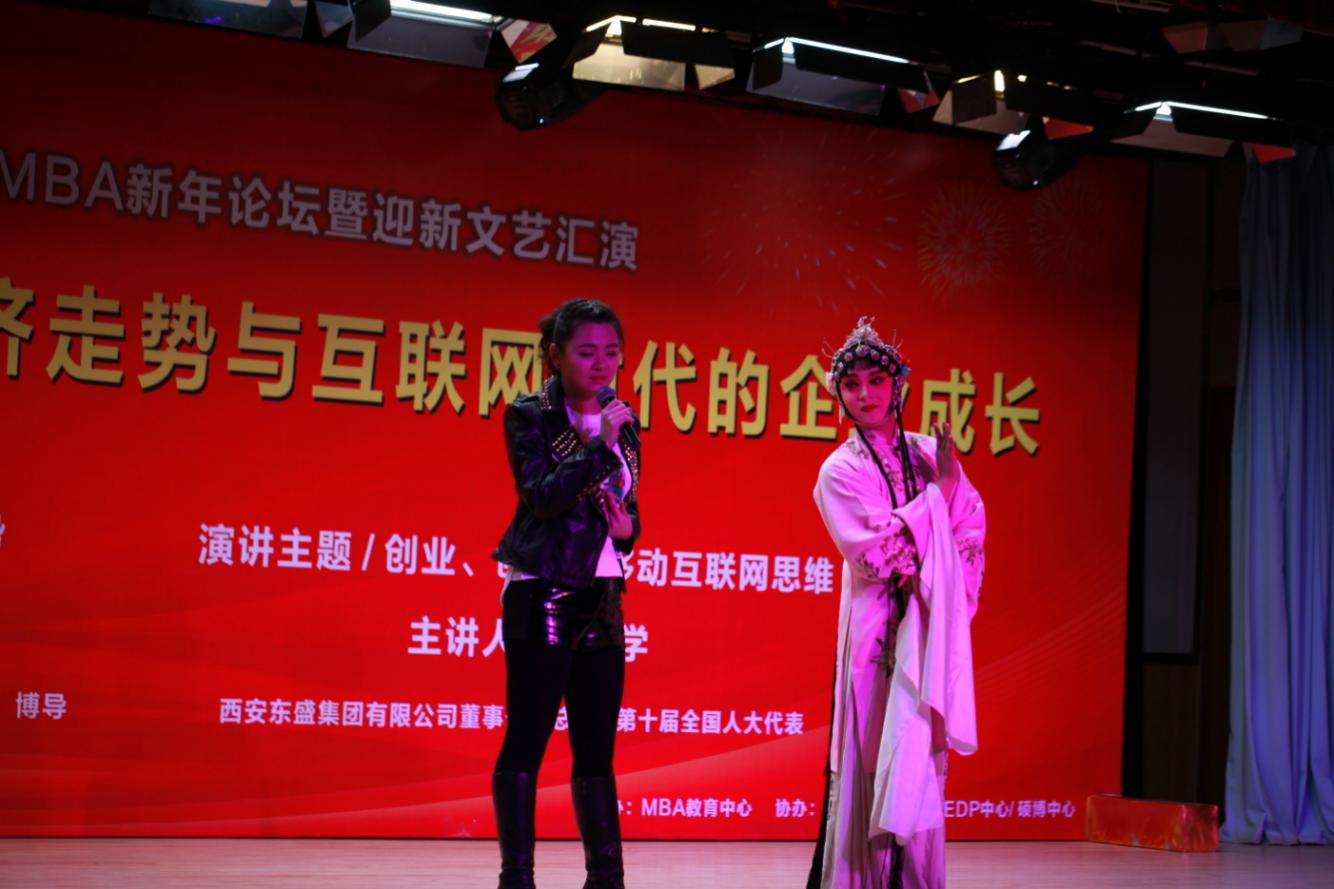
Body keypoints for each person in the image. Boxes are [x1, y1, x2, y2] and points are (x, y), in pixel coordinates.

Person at [806, 317, 985, 889]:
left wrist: (946, 498)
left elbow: (969, 530)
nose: (865, 394)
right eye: (851, 384)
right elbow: (878, 554)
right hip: (875, 633)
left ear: (898, 386)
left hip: (926, 632)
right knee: (871, 758)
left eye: (876, 381)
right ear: (839, 396)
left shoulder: (929, 454)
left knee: (919, 756)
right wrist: (941, 496)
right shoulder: (840, 470)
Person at [490, 298, 641, 889]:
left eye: (612, 352)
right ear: (555, 355)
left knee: (597, 748)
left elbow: (628, 508)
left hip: (603, 594)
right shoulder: (529, 415)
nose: (602, 364)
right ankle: (517, 878)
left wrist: (628, 529)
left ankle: (606, 879)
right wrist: (597, 444)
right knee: (527, 740)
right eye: (586, 352)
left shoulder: (622, 419)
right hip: (543, 590)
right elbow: (544, 497)